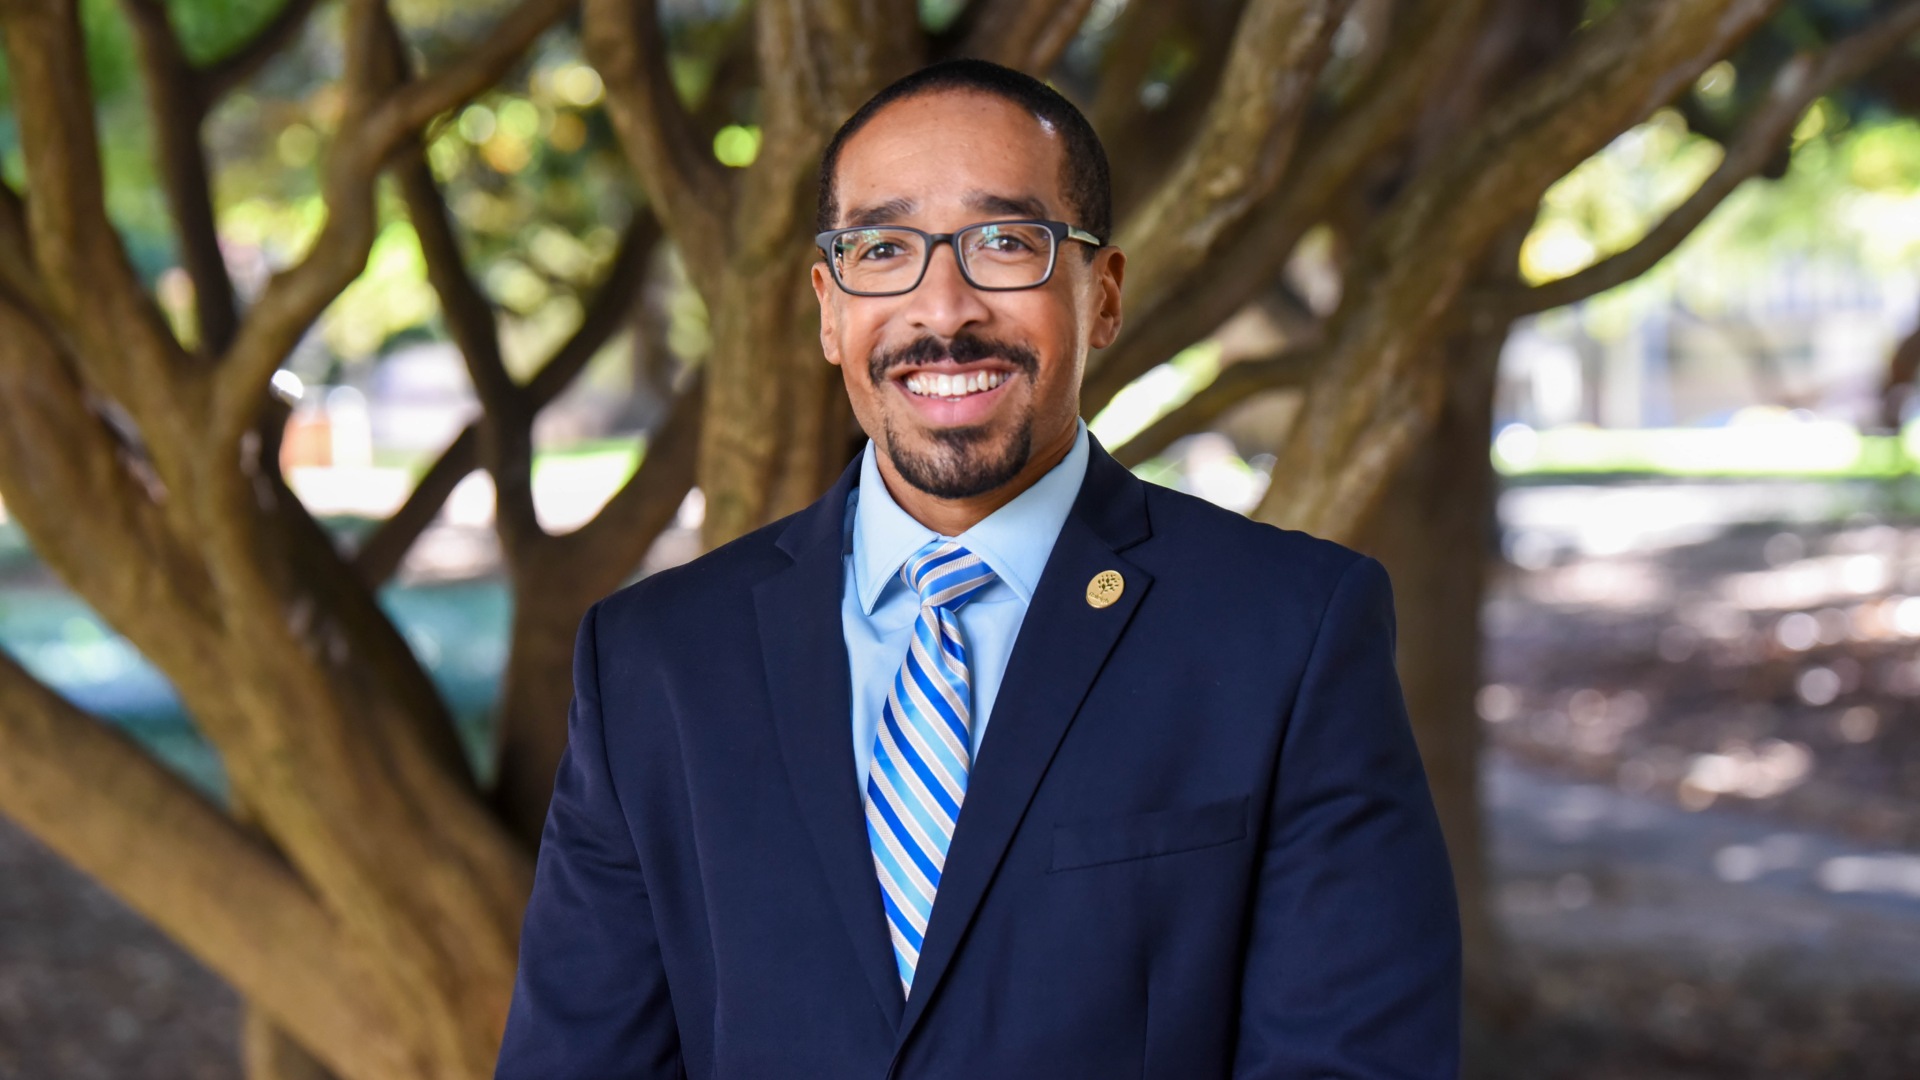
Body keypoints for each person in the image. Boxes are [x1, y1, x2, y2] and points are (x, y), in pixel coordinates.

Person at [495, 58, 1460, 1080]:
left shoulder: (1290, 633)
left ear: (1104, 295)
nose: (942, 308)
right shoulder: (654, 662)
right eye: (883, 248)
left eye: (1006, 242)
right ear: (830, 309)